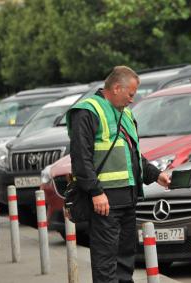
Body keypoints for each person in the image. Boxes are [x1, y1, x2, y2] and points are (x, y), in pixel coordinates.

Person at [67, 66, 170, 283]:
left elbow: (132, 154)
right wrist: (95, 192)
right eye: (130, 94)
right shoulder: (87, 111)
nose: (132, 100)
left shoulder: (125, 113)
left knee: (125, 259)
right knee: (106, 261)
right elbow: (80, 157)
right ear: (116, 88)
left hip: (128, 199)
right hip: (104, 201)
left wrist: (155, 174)